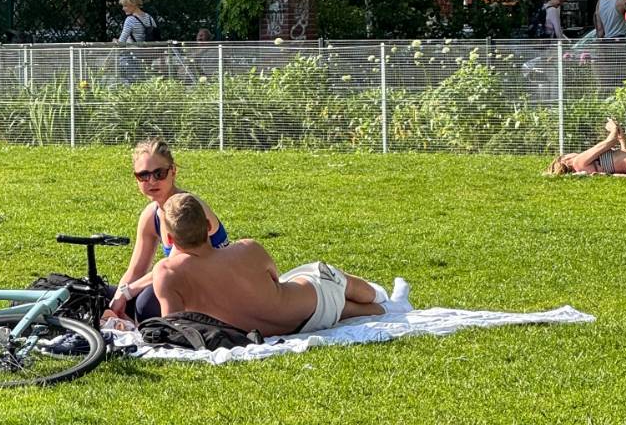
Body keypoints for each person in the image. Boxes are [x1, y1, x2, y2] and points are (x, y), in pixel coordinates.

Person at [150, 192, 412, 338]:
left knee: (344, 307)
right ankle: (386, 299)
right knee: (331, 277)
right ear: (209, 227)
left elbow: (173, 324)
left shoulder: (167, 273)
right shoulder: (247, 249)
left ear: (170, 238)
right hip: (308, 307)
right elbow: (275, 280)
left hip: (285, 327)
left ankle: (386, 305)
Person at [100, 138, 227, 325]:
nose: (152, 181)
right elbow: (136, 270)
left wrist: (127, 293)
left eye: (159, 173)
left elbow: (173, 265)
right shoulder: (151, 215)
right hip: (181, 285)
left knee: (145, 302)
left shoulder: (186, 208)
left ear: (173, 171)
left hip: (212, 290)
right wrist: (118, 298)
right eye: (143, 175)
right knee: (99, 294)